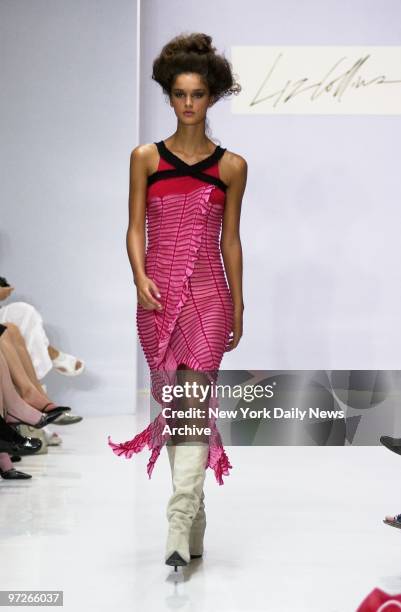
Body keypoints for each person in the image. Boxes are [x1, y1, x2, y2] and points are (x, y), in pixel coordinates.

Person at [108, 32, 247, 569]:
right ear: (168, 96)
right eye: (179, 94)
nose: (188, 104)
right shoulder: (145, 158)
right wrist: (139, 275)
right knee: (180, 408)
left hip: (210, 295)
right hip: (159, 295)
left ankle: (175, 521)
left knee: (195, 401)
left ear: (212, 97)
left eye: (198, 94)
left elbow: (230, 240)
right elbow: (134, 226)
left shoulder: (231, 166)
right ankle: (193, 528)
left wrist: (237, 306)